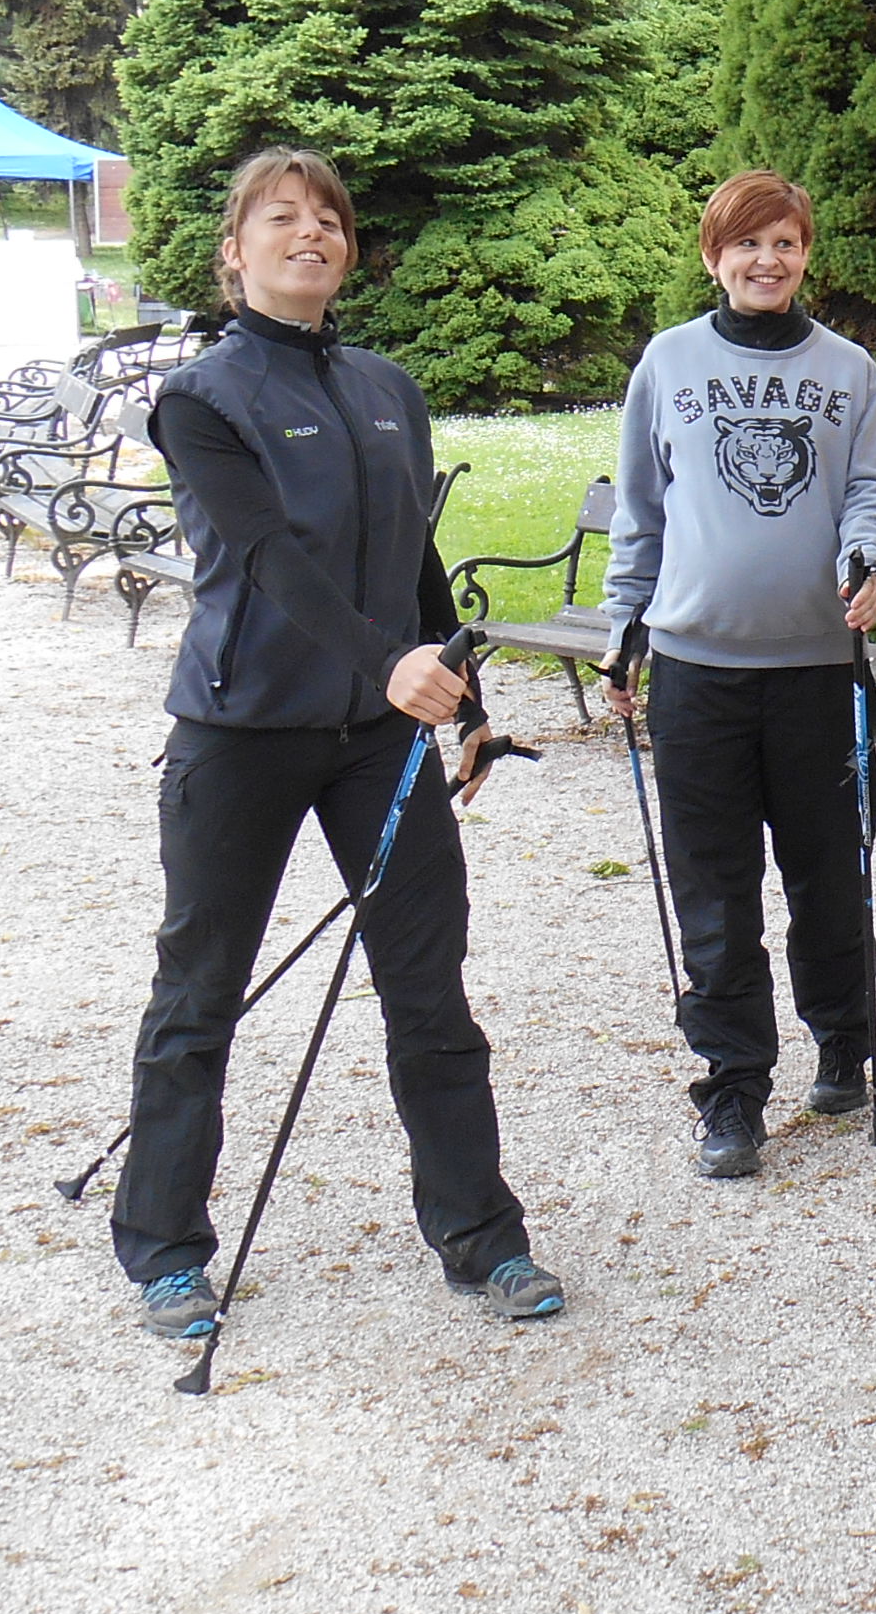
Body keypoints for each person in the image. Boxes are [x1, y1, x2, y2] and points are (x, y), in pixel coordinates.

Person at [110, 146, 568, 1343]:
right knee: (200, 991)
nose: (309, 233)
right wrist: (384, 661)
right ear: (235, 251)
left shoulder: (385, 388)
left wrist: (462, 701)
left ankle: (482, 1235)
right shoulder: (201, 398)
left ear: (349, 252)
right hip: (242, 731)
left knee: (430, 991)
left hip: (379, 740)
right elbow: (265, 556)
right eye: (281, 218)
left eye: (329, 220)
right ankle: (164, 1248)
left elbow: (414, 555)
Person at [599, 168, 876, 1179]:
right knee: (714, 888)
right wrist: (623, 627)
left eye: (784, 242)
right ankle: (733, 1085)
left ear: (806, 254)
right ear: (713, 257)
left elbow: (874, 488)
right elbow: (641, 510)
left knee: (830, 874)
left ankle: (843, 1038)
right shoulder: (668, 362)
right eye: (747, 244)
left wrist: (871, 557)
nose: (766, 261)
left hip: (819, 669)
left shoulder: (849, 371)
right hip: (697, 673)